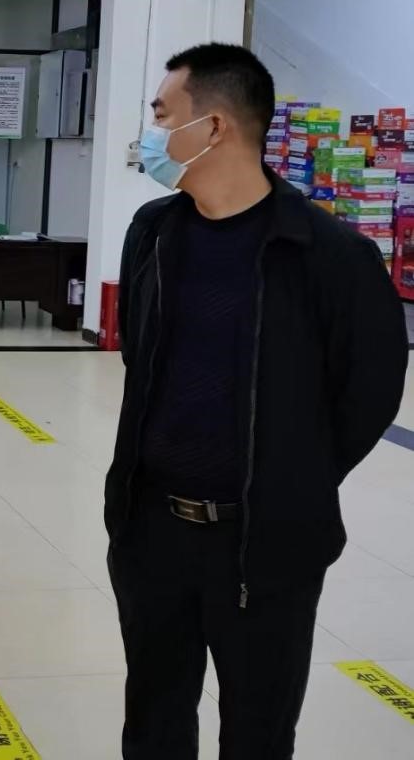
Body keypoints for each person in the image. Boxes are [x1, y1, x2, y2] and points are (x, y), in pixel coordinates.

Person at [105, 44, 408, 760]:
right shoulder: (153, 233)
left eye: (162, 115)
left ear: (213, 127)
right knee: (152, 722)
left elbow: (368, 395)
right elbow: (140, 358)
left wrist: (290, 477)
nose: (150, 132)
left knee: (258, 734)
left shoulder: (329, 255)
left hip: (268, 544)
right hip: (152, 534)